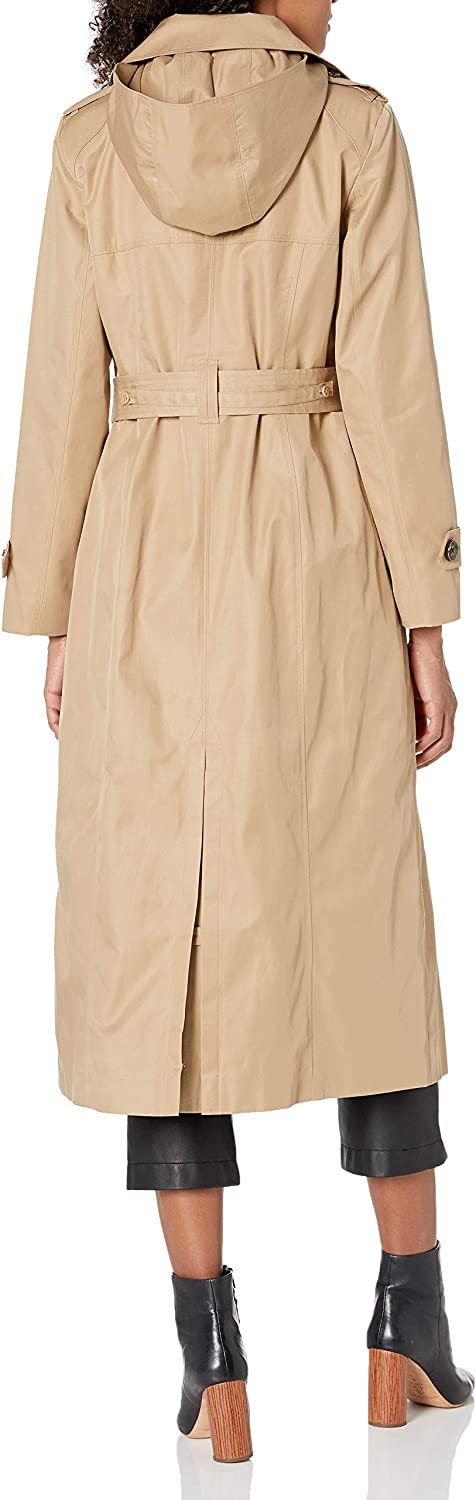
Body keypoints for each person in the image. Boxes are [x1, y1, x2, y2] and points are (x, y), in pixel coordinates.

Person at [2, 0, 473, 1462]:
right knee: (363, 918)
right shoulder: (353, 125)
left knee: (167, 952)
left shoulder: (93, 141)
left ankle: (211, 1361)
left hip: (141, 554)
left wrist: (54, 608)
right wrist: (426, 617)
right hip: (320, 550)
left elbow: (60, 390)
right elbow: (391, 381)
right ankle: (408, 1321)